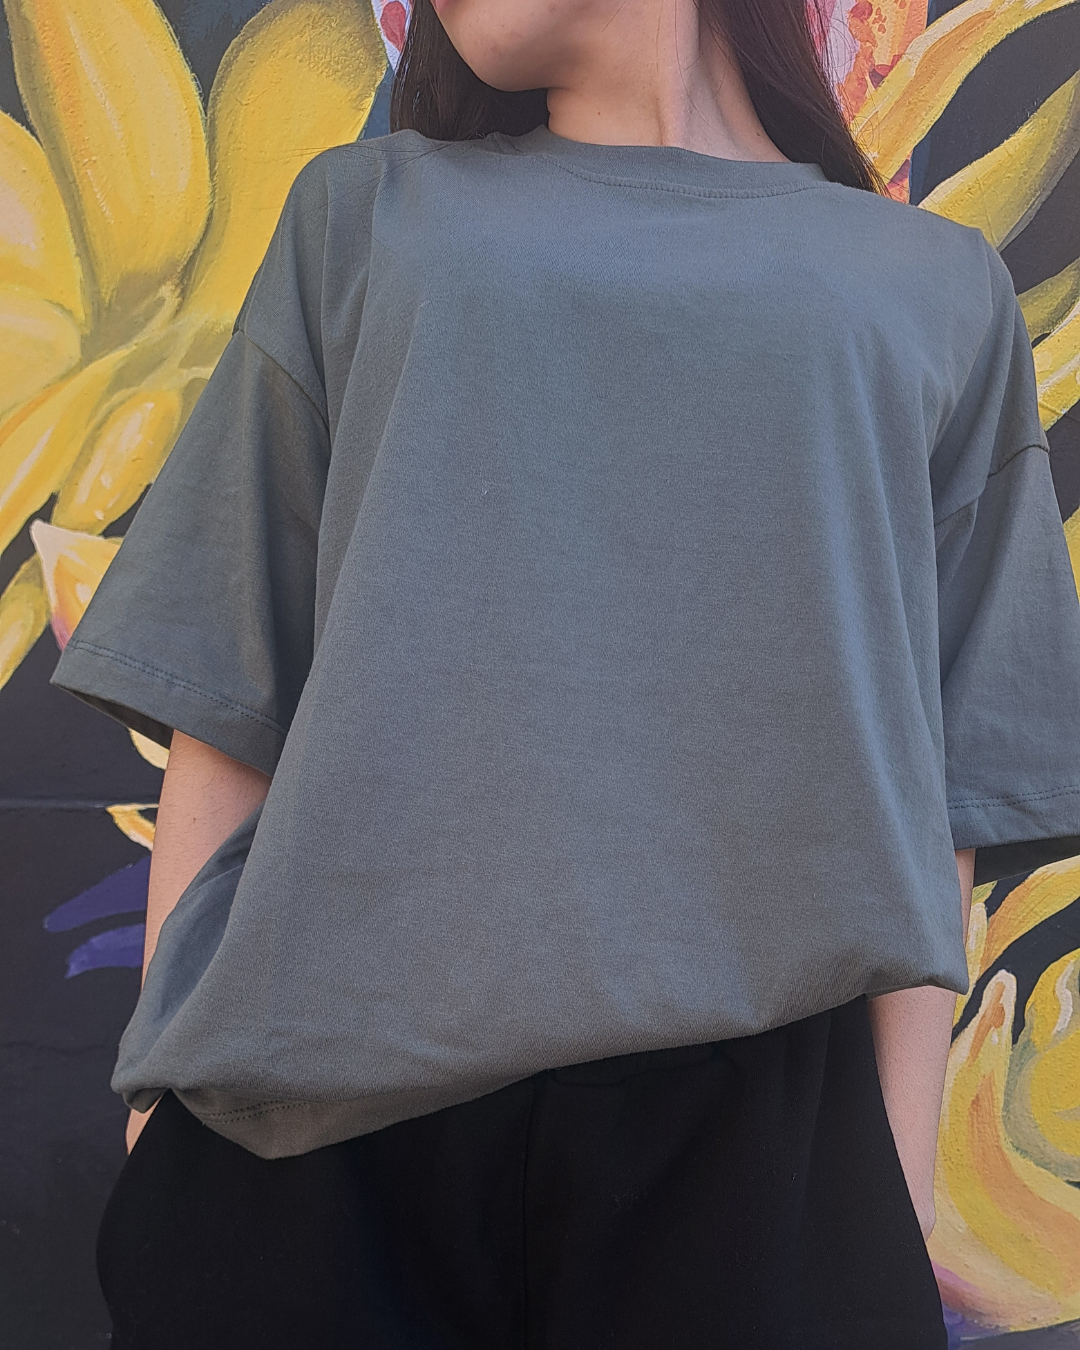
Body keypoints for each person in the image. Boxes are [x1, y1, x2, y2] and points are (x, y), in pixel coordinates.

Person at [51, 0, 1080, 1345]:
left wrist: (892, 1195)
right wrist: (157, 1110)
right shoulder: (365, 218)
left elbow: (939, 798)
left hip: (753, 1165)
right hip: (308, 1156)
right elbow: (227, 689)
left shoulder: (936, 290)